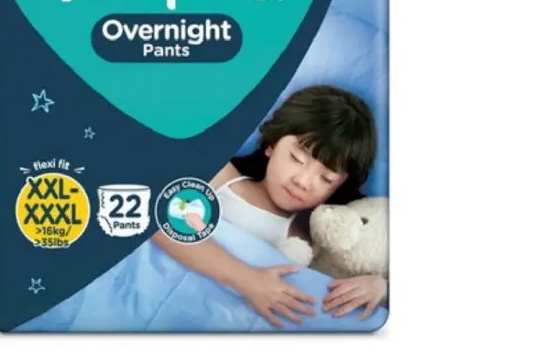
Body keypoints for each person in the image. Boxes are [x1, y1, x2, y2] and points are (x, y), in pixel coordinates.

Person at [151, 85, 386, 328]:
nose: (303, 181)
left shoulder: (310, 241)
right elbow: (157, 219)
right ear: (272, 144)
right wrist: (247, 280)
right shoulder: (221, 176)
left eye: (326, 178)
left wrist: (379, 286)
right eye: (296, 158)